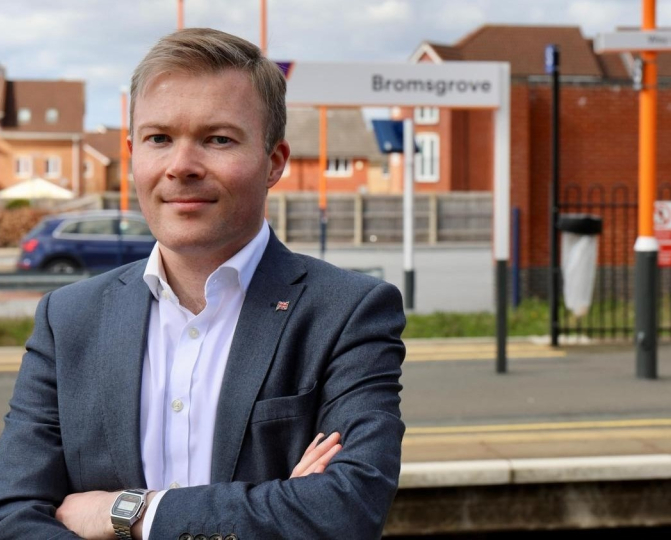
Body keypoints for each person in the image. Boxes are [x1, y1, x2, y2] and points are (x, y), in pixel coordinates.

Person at [0, 28, 406, 540]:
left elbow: (345, 510)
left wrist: (129, 513)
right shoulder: (68, 318)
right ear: (133, 154)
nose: (181, 167)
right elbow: (14, 514)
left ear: (274, 161)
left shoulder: (346, 313)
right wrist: (281, 501)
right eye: (159, 139)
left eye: (217, 139)